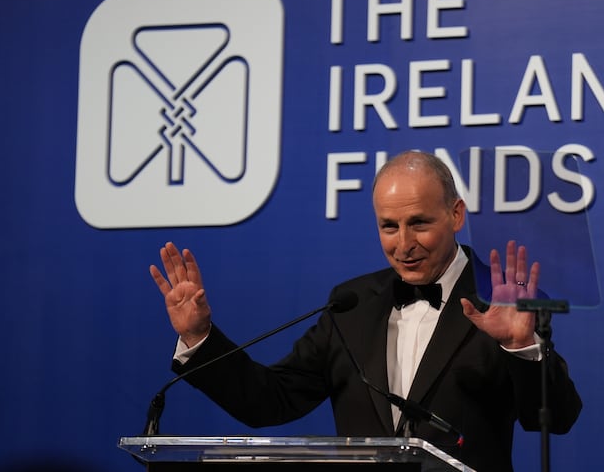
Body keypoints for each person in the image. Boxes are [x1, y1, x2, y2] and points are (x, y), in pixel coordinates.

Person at [150, 150, 581, 472]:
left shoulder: (503, 301)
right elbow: (270, 402)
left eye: (419, 223)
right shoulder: (350, 304)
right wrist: (199, 337)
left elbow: (557, 418)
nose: (403, 244)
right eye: (389, 226)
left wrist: (521, 345)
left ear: (455, 215)